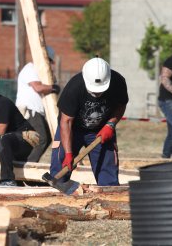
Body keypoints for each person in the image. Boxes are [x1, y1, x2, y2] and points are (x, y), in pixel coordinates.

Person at [50, 57, 128, 186]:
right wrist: (69, 153)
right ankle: (56, 195)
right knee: (60, 168)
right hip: (72, 130)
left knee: (107, 173)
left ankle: (109, 200)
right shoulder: (74, 87)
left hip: (101, 130)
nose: (97, 94)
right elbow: (66, 122)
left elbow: (121, 105)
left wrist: (110, 124)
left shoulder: (118, 82)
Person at [16, 46, 60, 162]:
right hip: (29, 110)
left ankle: (25, 161)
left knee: (48, 137)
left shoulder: (39, 72)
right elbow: (38, 87)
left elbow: (51, 80)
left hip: (36, 111)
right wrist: (53, 88)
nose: (49, 64)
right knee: (42, 138)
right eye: (49, 61)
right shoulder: (30, 69)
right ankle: (28, 165)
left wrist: (51, 82)